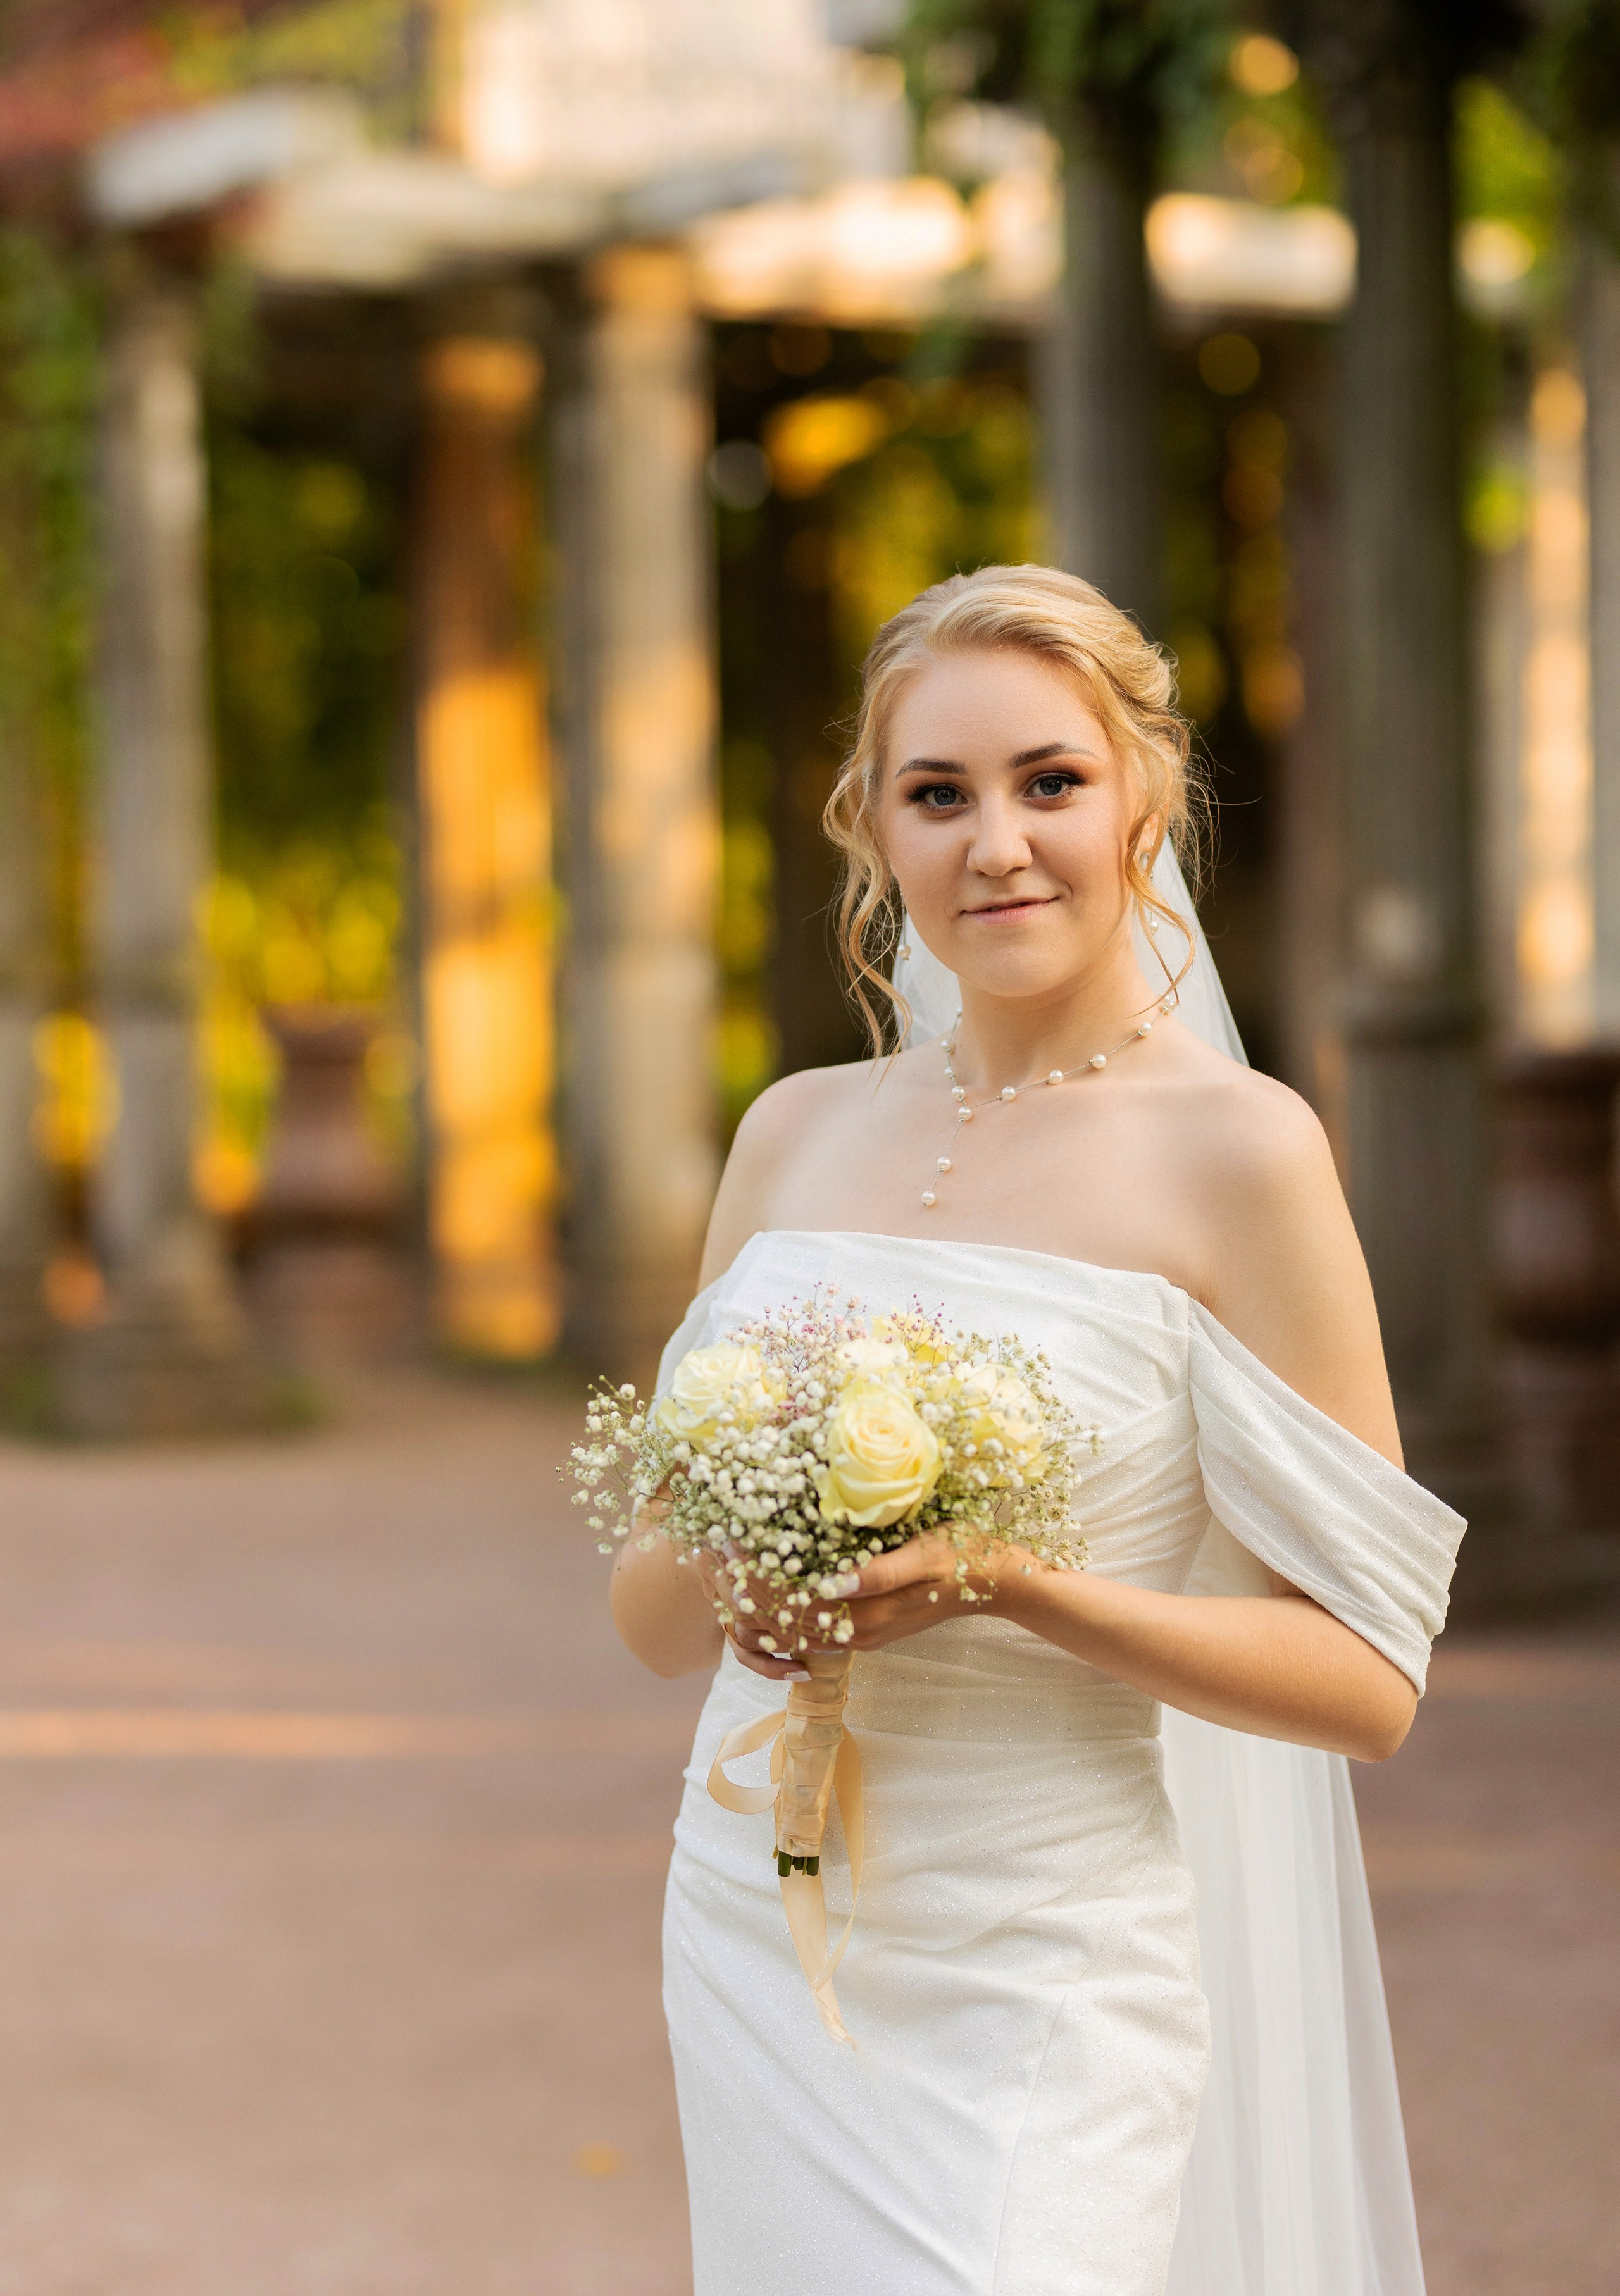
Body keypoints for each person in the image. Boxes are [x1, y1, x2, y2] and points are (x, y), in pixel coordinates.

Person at [611, 564, 1464, 2296]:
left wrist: (1010, 1581)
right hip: (757, 1910)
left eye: (1048, 782)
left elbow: (1370, 1683)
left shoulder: (1245, 1151)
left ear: (1140, 795)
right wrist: (754, 1570)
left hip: (1038, 1956)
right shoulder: (791, 1133)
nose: (997, 844)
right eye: (939, 795)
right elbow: (644, 1615)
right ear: (876, 828)